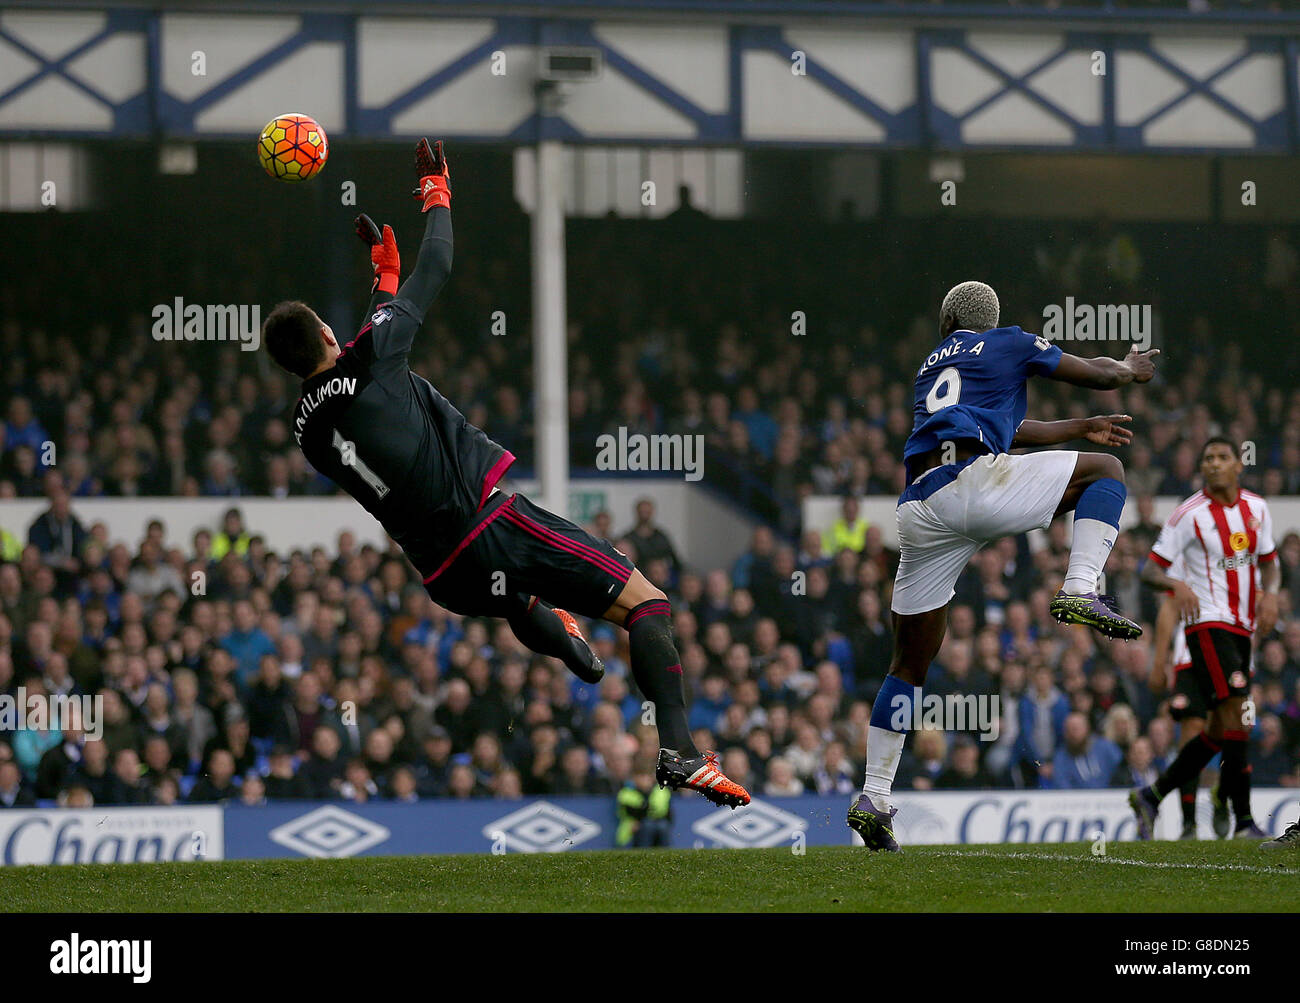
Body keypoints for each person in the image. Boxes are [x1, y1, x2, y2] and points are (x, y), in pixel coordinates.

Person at [261, 140, 748, 808]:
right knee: (650, 603)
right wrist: (437, 190)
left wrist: (382, 278)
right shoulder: (369, 361)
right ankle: (680, 751)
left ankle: (565, 643)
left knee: (517, 598)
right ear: (323, 333)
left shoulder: (306, 427)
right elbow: (436, 266)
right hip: (490, 524)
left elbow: (357, 362)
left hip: (442, 573)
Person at [848, 279, 1158, 851]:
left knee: (909, 663)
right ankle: (1081, 587)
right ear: (991, 320)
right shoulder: (1009, 342)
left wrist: (1073, 429)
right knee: (1107, 473)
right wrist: (1127, 369)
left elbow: (1003, 430)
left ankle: (874, 795)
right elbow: (1096, 374)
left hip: (920, 505)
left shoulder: (930, 368)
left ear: (947, 323)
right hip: (974, 485)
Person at [1130, 437, 1277, 840]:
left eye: (1221, 457)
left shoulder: (1257, 509)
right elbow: (1151, 573)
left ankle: (1153, 794)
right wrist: (1176, 587)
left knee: (1222, 729)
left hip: (1242, 629)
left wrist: (1274, 596)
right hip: (1207, 627)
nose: (1213, 464)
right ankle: (1239, 819)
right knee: (1228, 719)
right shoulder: (1187, 516)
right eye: (1207, 458)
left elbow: (1270, 564)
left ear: (1238, 465)